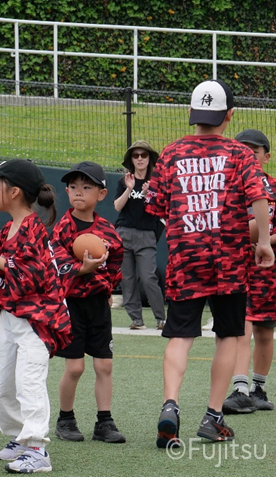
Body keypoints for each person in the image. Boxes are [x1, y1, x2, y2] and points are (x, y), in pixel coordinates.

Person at [145, 80, 275, 448]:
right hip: (229, 258)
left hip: (186, 257)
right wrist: (263, 243)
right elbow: (260, 198)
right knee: (229, 335)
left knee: (180, 336)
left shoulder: (171, 153)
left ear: (192, 113)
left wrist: (183, 231)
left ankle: (170, 405)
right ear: (229, 115)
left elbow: (155, 208)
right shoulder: (240, 154)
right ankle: (213, 416)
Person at [0, 159, 71, 473]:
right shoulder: (8, 228)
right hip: (12, 317)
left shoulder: (33, 228)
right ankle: (21, 438)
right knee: (3, 385)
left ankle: (38, 450)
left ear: (13, 192)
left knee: (29, 383)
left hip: (38, 321)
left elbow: (34, 275)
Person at [51, 161, 126, 445]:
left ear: (102, 194)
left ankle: (104, 422)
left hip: (98, 305)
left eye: (86, 187)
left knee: (104, 365)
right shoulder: (62, 228)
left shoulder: (107, 229)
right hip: (71, 305)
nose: (78, 192)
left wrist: (108, 285)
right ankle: (65, 419)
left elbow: (117, 258)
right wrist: (81, 269)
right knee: (75, 367)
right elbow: (56, 262)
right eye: (73, 187)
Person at [222, 129, 276, 414]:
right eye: (241, 151)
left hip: (268, 272)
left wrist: (265, 239)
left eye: (253, 152)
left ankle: (258, 388)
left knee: (265, 331)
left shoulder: (274, 188)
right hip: (237, 268)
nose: (247, 156)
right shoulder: (225, 188)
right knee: (241, 328)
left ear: (266, 157)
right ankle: (240, 388)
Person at [114, 140, 166, 330]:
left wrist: (147, 194)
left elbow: (160, 210)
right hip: (124, 233)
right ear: (131, 160)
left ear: (150, 158)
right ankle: (136, 319)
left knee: (148, 277)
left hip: (146, 235)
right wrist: (129, 188)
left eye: (144, 155)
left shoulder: (156, 183)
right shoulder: (124, 181)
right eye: (136, 155)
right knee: (127, 279)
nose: (140, 159)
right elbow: (117, 206)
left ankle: (161, 319)